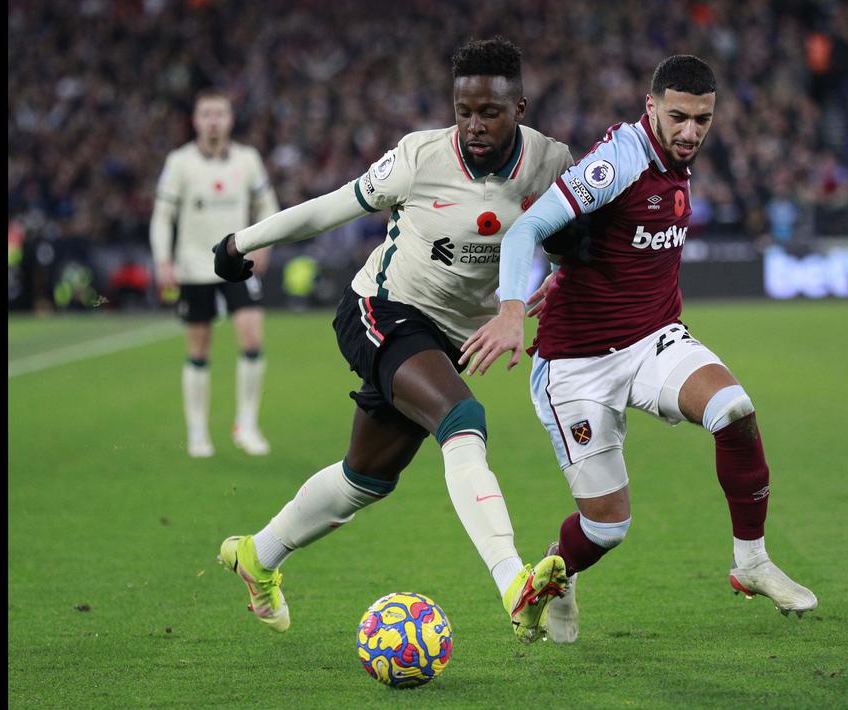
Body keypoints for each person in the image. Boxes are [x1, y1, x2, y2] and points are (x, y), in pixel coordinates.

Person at [211, 38, 575, 642]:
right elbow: (331, 207)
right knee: (462, 419)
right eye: (463, 111)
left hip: (449, 337)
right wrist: (242, 242)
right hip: (380, 309)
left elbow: (574, 240)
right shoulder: (419, 157)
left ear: (520, 108)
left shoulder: (550, 162)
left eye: (490, 112)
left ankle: (258, 555)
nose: (474, 126)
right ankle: (515, 584)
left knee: (365, 478)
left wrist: (566, 273)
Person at [461, 55, 818, 644]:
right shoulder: (619, 161)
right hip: (575, 363)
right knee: (608, 528)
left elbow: (609, 242)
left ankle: (750, 562)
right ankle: (558, 570)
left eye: (702, 120)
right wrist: (509, 311)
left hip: (652, 338)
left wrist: (574, 265)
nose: (690, 132)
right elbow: (525, 228)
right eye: (677, 117)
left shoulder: (676, 157)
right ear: (650, 107)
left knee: (734, 410)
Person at [150, 89, 279, 458]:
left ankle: (247, 425)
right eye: (206, 114)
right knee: (198, 348)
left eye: (219, 114)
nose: (213, 121)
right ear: (195, 120)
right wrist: (163, 260)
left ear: (230, 119)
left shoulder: (248, 159)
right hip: (192, 266)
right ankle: (197, 432)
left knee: (252, 338)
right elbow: (163, 216)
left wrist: (266, 241)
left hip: (236, 264)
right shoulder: (180, 163)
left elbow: (267, 203)